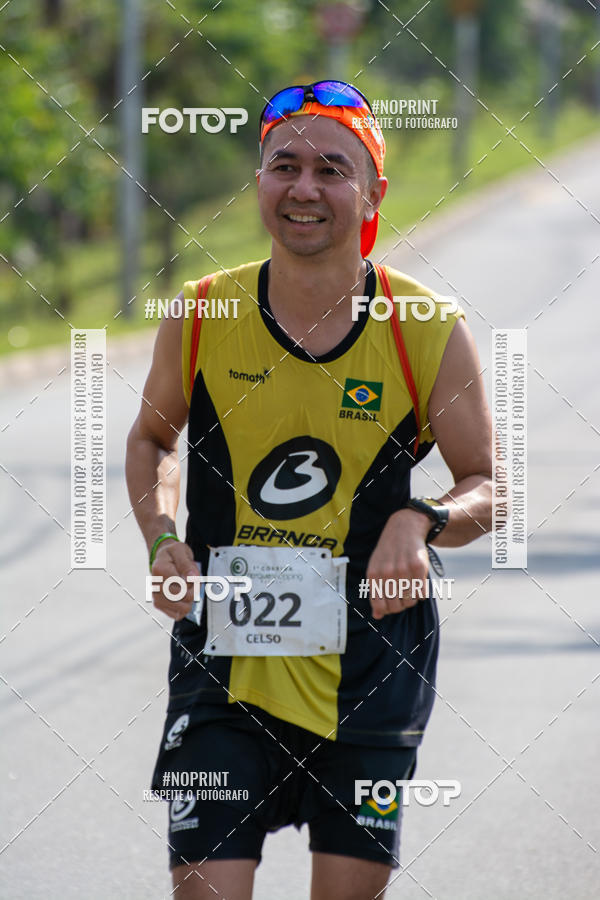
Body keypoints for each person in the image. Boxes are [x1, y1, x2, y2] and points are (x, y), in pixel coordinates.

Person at [126, 80, 493, 900]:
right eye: (282, 165)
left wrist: (420, 517)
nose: (304, 187)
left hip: (372, 664)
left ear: (371, 193)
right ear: (258, 180)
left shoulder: (427, 327)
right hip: (226, 659)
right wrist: (159, 534)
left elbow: (488, 486)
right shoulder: (201, 313)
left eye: (332, 169)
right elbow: (153, 437)